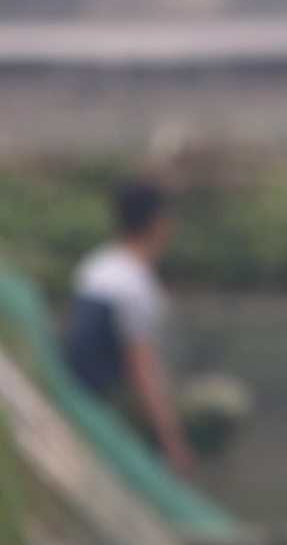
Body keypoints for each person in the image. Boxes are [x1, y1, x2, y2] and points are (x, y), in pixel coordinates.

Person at [62, 180, 195, 477]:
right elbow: (141, 370)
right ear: (159, 224)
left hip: (80, 389)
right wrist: (172, 441)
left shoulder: (94, 266)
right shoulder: (136, 285)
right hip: (108, 400)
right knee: (221, 402)